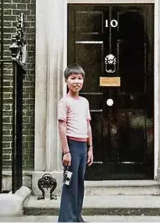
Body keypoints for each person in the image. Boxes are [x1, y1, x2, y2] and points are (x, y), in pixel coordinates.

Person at [58, 64, 93, 223]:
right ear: (66, 81)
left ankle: (77, 217)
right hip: (71, 146)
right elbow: (61, 126)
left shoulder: (84, 102)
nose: (76, 81)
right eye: (73, 78)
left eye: (79, 78)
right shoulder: (64, 101)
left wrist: (90, 148)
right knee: (69, 183)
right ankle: (67, 220)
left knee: (79, 184)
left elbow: (88, 125)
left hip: (82, 147)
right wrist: (66, 151)